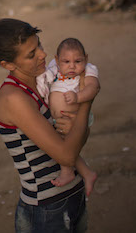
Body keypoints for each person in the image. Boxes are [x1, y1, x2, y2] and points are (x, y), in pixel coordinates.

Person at [0, 18, 94, 233]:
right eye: (31, 54)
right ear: (8, 65)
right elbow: (67, 156)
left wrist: (77, 127)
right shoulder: (14, 98)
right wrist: (86, 100)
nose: (42, 54)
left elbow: (76, 140)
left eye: (38, 45)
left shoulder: (44, 83)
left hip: (72, 199)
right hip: (47, 211)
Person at [35, 38, 99, 194]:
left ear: (86, 58)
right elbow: (44, 79)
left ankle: (67, 172)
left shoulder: (88, 69)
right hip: (59, 120)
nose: (72, 66)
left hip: (75, 119)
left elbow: (93, 87)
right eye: (66, 61)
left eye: (78, 61)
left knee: (64, 147)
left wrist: (78, 97)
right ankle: (87, 173)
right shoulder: (54, 69)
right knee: (60, 144)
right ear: (57, 60)